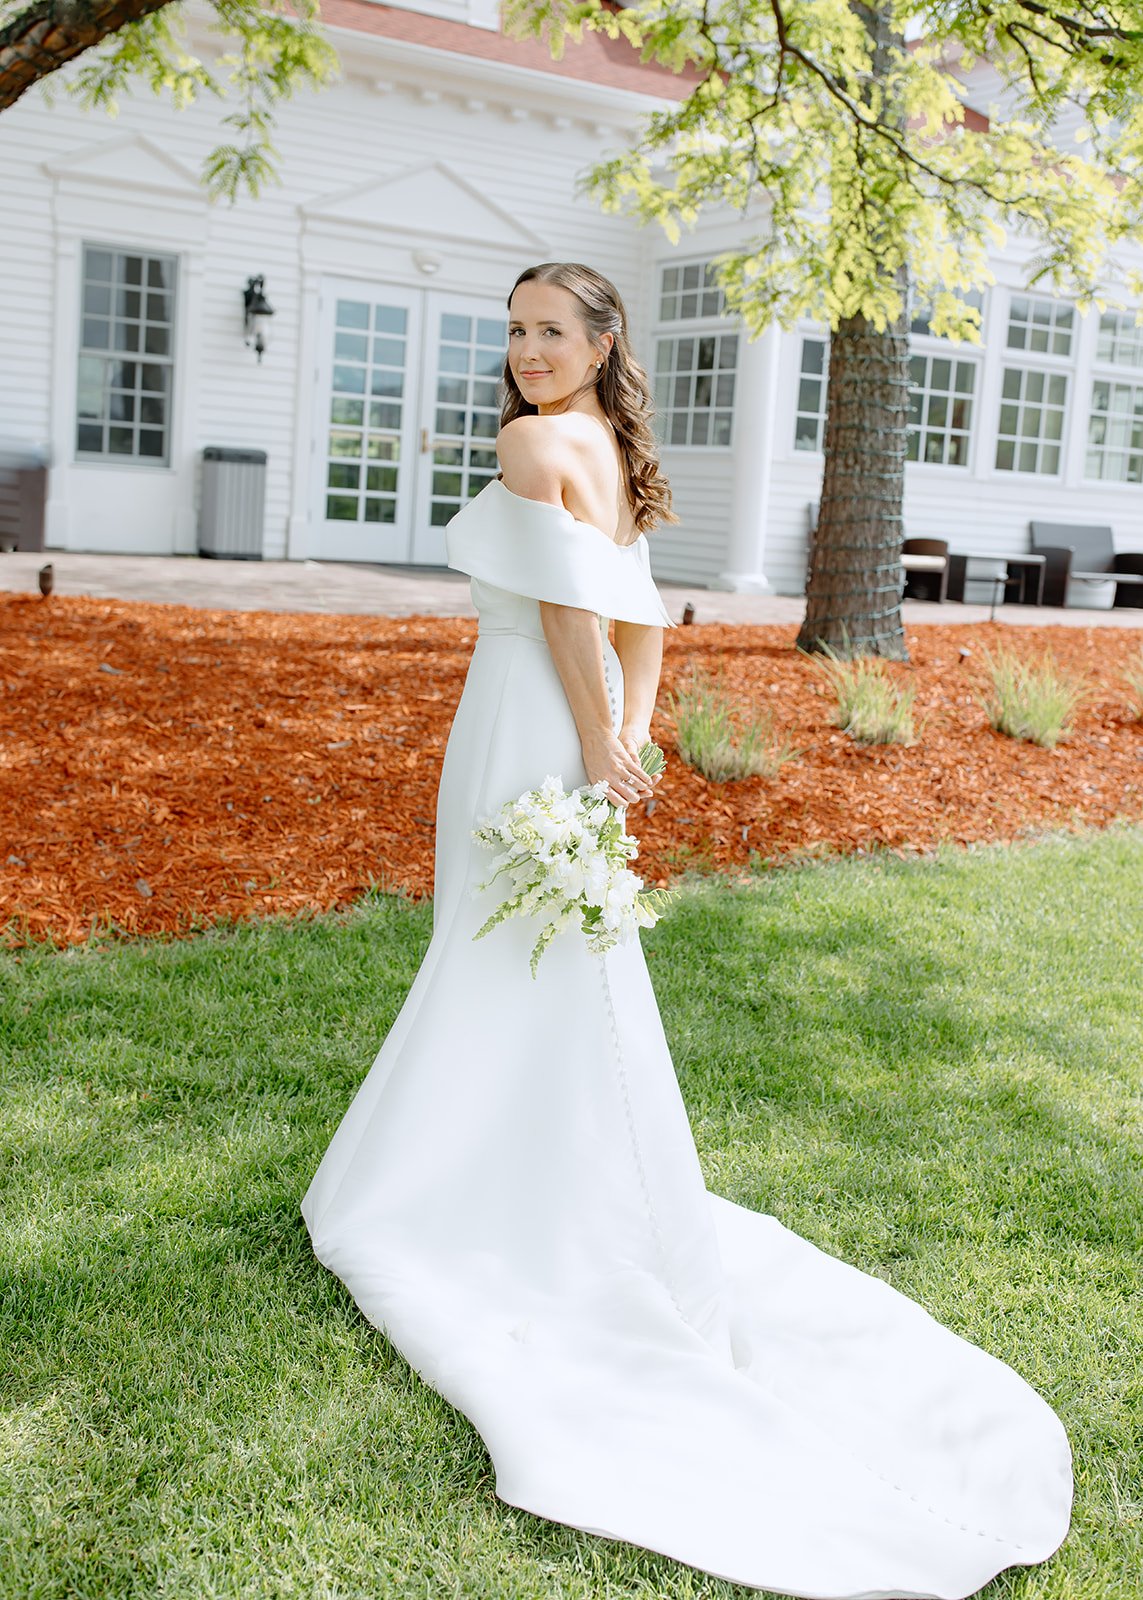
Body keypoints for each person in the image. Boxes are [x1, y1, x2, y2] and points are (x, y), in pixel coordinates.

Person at [302, 262, 1072, 1599]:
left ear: (603, 343)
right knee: (544, 963)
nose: (529, 351)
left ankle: (473, 1191)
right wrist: (631, 728)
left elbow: (562, 612)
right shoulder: (605, 450)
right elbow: (638, 623)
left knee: (499, 957)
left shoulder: (535, 441)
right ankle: (538, 1172)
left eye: (553, 331)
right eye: (517, 332)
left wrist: (598, 738)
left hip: (525, 723)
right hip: (573, 720)